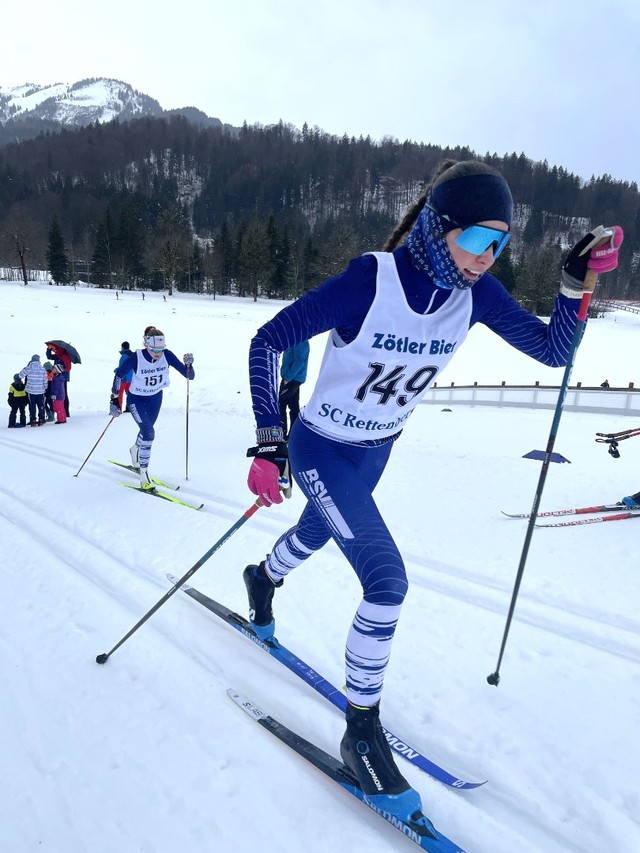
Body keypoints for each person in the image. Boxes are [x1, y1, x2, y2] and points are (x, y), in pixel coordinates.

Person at [242, 159, 623, 826]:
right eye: (477, 240)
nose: (486, 259)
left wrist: (571, 285)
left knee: (320, 530)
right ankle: (362, 731)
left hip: (376, 450)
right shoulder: (371, 279)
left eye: (500, 245)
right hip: (322, 446)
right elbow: (266, 341)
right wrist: (271, 435)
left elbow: (552, 350)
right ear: (438, 227)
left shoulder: (472, 297)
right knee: (385, 581)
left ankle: (262, 576)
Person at [110, 326, 194, 489]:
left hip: (155, 398)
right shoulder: (137, 357)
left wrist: (189, 365)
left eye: (161, 349)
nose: (158, 353)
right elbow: (119, 374)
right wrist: (114, 399)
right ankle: (144, 476)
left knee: (146, 431)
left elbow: (189, 376)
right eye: (154, 349)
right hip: (136, 399)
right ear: (146, 345)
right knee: (149, 433)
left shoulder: (167, 355)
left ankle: (135, 450)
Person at [278, 340, 310, 439]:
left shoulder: (300, 341)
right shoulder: (294, 340)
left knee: (281, 404)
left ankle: (281, 435)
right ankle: (293, 435)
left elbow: (299, 362)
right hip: (292, 378)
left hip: (292, 379)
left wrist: (288, 377)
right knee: (294, 406)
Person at [19, 355, 48, 426]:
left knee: (32, 406)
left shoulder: (28, 368)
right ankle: (41, 419)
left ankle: (33, 420)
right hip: (40, 391)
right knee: (41, 405)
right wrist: (45, 387)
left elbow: (20, 375)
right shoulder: (42, 369)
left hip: (31, 391)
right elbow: (45, 380)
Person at [45, 343, 73, 417]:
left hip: (63, 378)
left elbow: (68, 368)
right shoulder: (58, 355)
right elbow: (49, 356)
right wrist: (48, 350)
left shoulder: (65, 356)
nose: (54, 350)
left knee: (63, 395)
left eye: (54, 349)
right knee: (59, 394)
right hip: (56, 377)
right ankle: (61, 411)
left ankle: (66, 412)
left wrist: (59, 371)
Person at [115, 341, 135, 411]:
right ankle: (129, 408)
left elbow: (122, 368)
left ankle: (119, 408)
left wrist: (116, 370)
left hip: (123, 378)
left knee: (120, 394)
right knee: (129, 394)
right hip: (131, 378)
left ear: (123, 348)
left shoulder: (123, 357)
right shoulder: (133, 356)